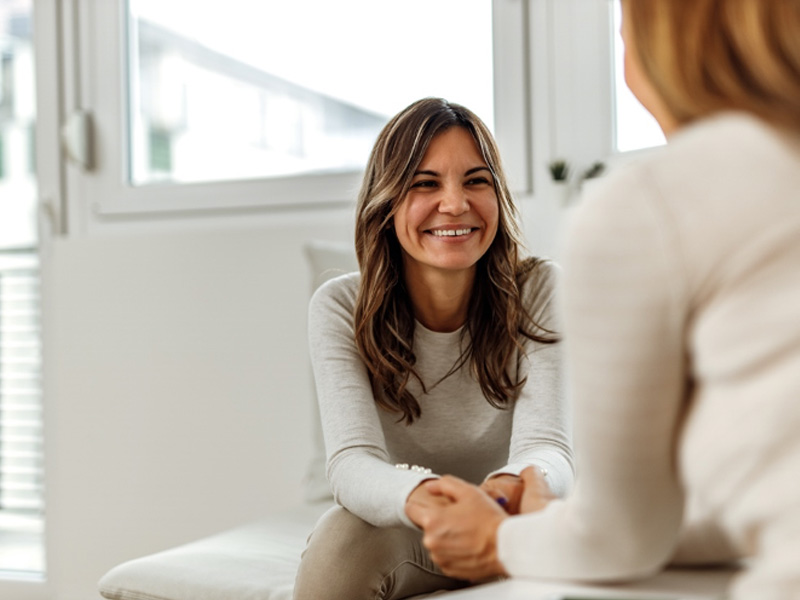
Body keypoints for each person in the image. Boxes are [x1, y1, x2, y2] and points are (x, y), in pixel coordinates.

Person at [406, 1, 800, 598]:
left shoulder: (651, 206)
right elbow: (755, 502)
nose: (454, 204)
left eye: (622, 31)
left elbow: (623, 536)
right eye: (425, 183)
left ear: (660, 45)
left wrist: (499, 540)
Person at [292, 97, 574, 599]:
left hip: (516, 521)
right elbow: (352, 463)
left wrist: (501, 495)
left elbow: (546, 448)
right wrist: (427, 498)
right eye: (425, 183)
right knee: (340, 538)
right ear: (388, 201)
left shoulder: (538, 289)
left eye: (475, 180)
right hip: (413, 522)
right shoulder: (338, 306)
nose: (454, 203)